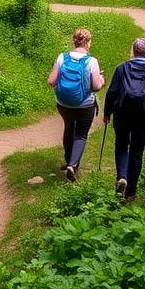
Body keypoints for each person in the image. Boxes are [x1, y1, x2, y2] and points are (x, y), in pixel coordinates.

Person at [103, 37, 145, 202]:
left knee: (121, 146)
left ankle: (122, 177)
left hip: (122, 114)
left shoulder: (121, 68)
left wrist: (107, 113)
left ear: (133, 50)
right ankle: (131, 192)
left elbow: (112, 92)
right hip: (143, 117)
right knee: (137, 152)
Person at [48, 28, 104, 181]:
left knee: (68, 127)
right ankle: (73, 165)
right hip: (85, 105)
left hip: (64, 104)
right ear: (88, 42)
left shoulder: (62, 57)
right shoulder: (91, 61)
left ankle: (68, 160)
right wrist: (101, 79)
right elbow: (96, 87)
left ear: (74, 41)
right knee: (80, 134)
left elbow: (51, 82)